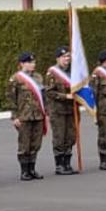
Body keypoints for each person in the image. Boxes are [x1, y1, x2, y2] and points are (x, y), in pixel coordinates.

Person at [8, 52, 47, 181]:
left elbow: (43, 96)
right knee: (24, 144)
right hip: (24, 116)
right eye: (29, 62)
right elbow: (11, 99)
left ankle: (32, 168)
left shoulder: (38, 77)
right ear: (22, 64)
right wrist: (15, 117)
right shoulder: (16, 79)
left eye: (33, 62)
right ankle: (24, 170)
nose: (32, 64)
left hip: (37, 115)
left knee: (36, 143)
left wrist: (45, 113)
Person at [44, 47, 80, 176]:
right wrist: (65, 96)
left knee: (70, 136)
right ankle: (59, 165)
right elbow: (49, 92)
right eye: (64, 57)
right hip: (58, 110)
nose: (67, 59)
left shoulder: (73, 72)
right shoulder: (52, 73)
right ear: (58, 58)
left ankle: (67, 163)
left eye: (68, 57)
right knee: (60, 137)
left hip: (71, 109)